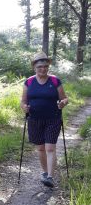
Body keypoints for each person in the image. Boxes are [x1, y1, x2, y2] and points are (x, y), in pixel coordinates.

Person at [21, 52, 68, 188]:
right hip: (34, 119)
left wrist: (63, 103)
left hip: (53, 119)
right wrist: (25, 107)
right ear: (34, 67)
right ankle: (45, 172)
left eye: (46, 66)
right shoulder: (29, 82)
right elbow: (23, 101)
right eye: (40, 66)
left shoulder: (55, 81)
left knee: (50, 148)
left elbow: (64, 98)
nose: (43, 69)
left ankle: (50, 177)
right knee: (41, 148)